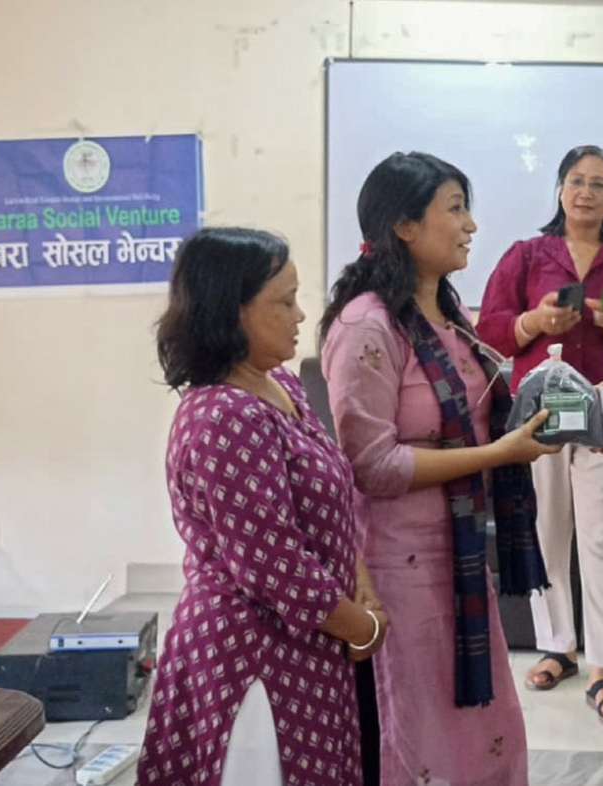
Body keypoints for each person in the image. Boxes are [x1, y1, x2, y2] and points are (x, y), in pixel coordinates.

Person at [319, 152, 559, 786]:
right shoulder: (367, 326)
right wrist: (498, 456)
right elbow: (370, 465)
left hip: (458, 554)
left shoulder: (449, 317)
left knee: (483, 727)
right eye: (455, 208)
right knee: (419, 735)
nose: (471, 225)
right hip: (399, 567)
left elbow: (478, 418)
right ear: (404, 225)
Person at [142, 227, 388, 786]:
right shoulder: (224, 416)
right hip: (252, 658)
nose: (300, 315)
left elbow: (325, 509)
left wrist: (361, 583)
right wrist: (365, 629)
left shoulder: (279, 384)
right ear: (232, 313)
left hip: (308, 645)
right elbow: (276, 566)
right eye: (283, 301)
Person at [479, 144, 603, 727]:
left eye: (600, 184)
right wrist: (535, 321)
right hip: (541, 414)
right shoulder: (525, 254)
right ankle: (556, 646)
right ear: (560, 189)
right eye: (576, 180)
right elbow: (489, 329)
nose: (586, 192)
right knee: (546, 530)